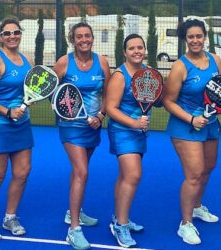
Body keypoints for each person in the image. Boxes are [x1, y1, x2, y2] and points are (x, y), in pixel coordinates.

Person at [162, 18, 221, 245]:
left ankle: (197, 207)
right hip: (185, 126)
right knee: (194, 173)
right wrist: (192, 118)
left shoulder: (216, 60)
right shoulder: (180, 66)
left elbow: (219, 91)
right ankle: (185, 224)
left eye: (199, 36)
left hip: (211, 124)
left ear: (204, 37)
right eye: (191, 37)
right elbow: (168, 101)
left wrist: (220, 108)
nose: (195, 40)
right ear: (185, 39)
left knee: (208, 169)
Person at [52, 22, 110, 250]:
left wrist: (101, 115)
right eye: (79, 36)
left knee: (80, 171)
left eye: (87, 36)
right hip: (70, 127)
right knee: (81, 171)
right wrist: (64, 109)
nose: (84, 39)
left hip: (93, 126)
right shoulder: (64, 62)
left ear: (92, 38)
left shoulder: (102, 62)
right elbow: (50, 91)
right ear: (72, 40)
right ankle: (74, 229)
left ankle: (73, 212)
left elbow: (108, 93)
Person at [0, 17, 34, 241]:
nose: (12, 36)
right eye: (7, 33)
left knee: (22, 173)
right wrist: (7, 112)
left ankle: (10, 217)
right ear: (1, 37)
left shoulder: (26, 59)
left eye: (16, 32)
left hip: (22, 125)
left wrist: (29, 101)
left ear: (20, 34)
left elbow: (30, 89)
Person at [105, 33, 150, 248]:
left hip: (139, 131)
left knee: (125, 177)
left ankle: (119, 217)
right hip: (123, 131)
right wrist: (133, 123)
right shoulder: (119, 76)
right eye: (131, 48)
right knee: (134, 175)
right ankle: (120, 226)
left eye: (140, 47)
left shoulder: (146, 74)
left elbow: (153, 101)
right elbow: (110, 108)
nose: (136, 51)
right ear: (125, 52)